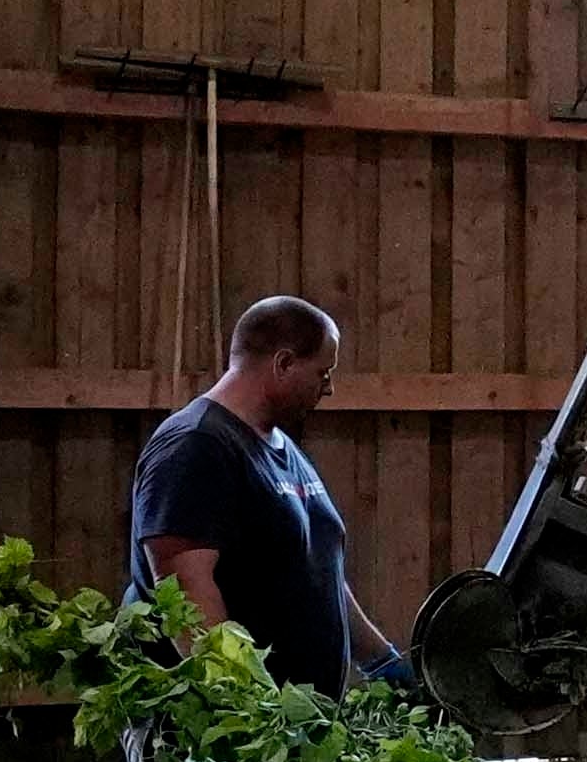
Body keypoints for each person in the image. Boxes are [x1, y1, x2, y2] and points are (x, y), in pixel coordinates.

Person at [128, 295, 398, 691]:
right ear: (283, 363)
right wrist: (246, 706)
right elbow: (185, 594)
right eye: (323, 373)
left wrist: (382, 661)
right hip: (223, 721)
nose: (329, 388)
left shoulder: (281, 449)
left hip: (301, 720)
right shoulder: (196, 445)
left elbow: (321, 576)